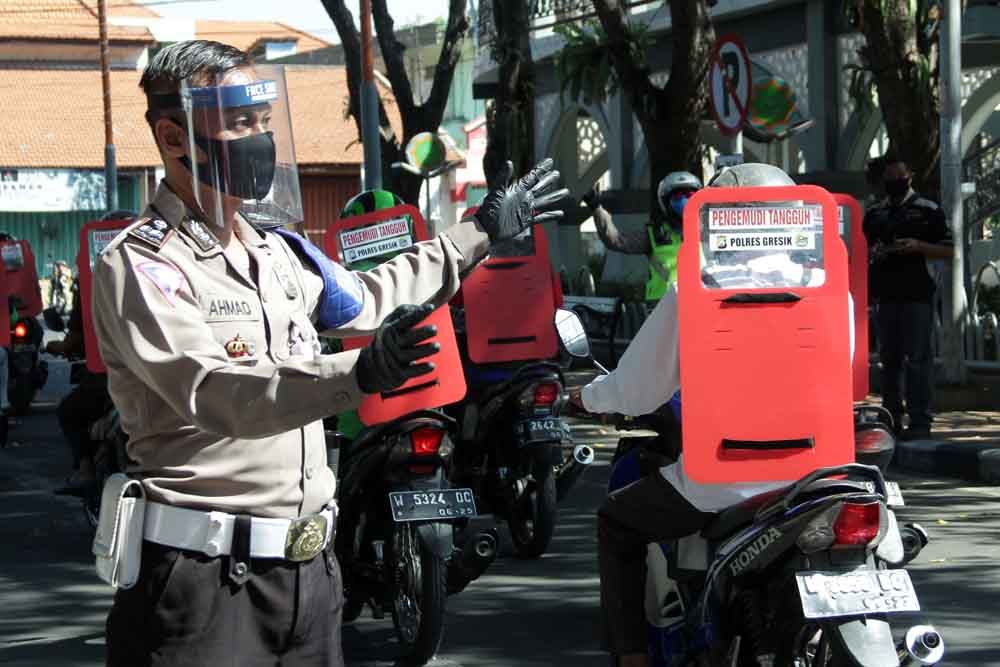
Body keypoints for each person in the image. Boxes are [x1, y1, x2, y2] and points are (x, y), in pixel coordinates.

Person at [92, 40, 567, 666]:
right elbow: (217, 392)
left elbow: (368, 296)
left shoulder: (275, 251)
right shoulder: (144, 265)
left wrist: (479, 232)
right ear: (175, 136)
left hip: (309, 576)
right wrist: (358, 372)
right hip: (205, 583)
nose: (258, 137)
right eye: (239, 123)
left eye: (263, 120)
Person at [569, 163, 852, 667]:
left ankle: (632, 658)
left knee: (616, 522)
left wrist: (586, 399)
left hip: (723, 481)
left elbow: (636, 391)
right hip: (817, 473)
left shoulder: (696, 288)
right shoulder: (831, 286)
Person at [863, 159, 953, 440]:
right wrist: (877, 252)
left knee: (918, 360)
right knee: (889, 361)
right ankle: (891, 419)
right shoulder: (875, 214)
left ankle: (920, 422)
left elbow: (948, 250)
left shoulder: (928, 211)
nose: (894, 181)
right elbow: (862, 249)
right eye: (889, 177)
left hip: (917, 296)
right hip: (885, 297)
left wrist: (917, 247)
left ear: (909, 176)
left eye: (898, 176)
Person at [582, 171, 702, 304]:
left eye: (690, 195)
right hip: (662, 306)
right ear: (666, 202)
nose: (685, 201)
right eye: (678, 196)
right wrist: (596, 208)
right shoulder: (654, 234)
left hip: (701, 302)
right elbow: (615, 240)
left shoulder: (709, 232)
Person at [47, 278, 112, 490]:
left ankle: (86, 470)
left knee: (68, 412)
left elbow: (73, 341)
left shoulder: (91, 284)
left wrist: (57, 347)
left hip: (111, 376)